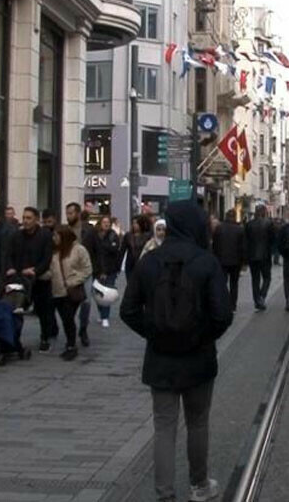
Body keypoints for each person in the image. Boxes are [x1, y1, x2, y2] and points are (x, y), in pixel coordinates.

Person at [119, 201, 232, 502]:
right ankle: (199, 484)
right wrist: (201, 336)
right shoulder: (207, 262)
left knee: (164, 426)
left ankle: (164, 494)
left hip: (160, 357)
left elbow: (128, 310)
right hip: (198, 357)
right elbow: (223, 314)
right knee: (197, 422)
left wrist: (155, 333)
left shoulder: (149, 261)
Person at [5, 207, 54, 350]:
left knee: (44, 311)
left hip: (39, 279)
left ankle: (45, 338)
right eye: (24, 217)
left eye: (29, 218)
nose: (25, 221)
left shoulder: (45, 235)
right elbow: (9, 254)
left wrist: (35, 270)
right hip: (21, 279)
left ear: (36, 220)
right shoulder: (17, 235)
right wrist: (11, 268)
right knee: (17, 309)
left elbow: (47, 258)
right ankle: (14, 339)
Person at [50, 224, 92, 361]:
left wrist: (74, 281)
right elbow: (50, 271)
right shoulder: (54, 252)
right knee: (65, 319)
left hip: (71, 291)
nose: (54, 238)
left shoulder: (78, 250)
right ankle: (70, 343)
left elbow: (87, 269)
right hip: (57, 291)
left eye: (56, 235)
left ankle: (71, 346)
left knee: (68, 318)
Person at [66, 203, 100, 347]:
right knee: (69, 303)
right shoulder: (65, 230)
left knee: (86, 303)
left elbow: (97, 250)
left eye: (71, 213)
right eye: (67, 213)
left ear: (78, 214)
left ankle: (83, 329)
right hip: (69, 271)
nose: (68, 216)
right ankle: (71, 331)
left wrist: (99, 271)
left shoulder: (89, 230)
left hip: (86, 270)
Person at [212, 210, 248, 312]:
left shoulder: (219, 229)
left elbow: (215, 245)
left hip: (221, 261)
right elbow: (243, 247)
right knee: (234, 284)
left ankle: (223, 303)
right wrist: (244, 262)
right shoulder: (239, 229)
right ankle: (233, 305)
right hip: (235, 262)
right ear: (234, 217)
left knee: (222, 283)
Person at [245, 205, 275, 312]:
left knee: (255, 279)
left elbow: (246, 241)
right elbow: (272, 239)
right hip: (265, 256)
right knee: (267, 277)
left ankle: (257, 300)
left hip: (252, 256)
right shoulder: (269, 224)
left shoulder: (249, 224)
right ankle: (262, 296)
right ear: (264, 212)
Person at [95, 216, 123, 328]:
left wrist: (103, 246)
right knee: (97, 292)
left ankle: (105, 317)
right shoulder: (96, 235)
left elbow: (115, 249)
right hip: (97, 269)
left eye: (108, 222)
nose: (106, 224)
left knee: (106, 293)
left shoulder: (113, 235)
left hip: (110, 269)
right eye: (104, 222)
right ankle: (102, 313)